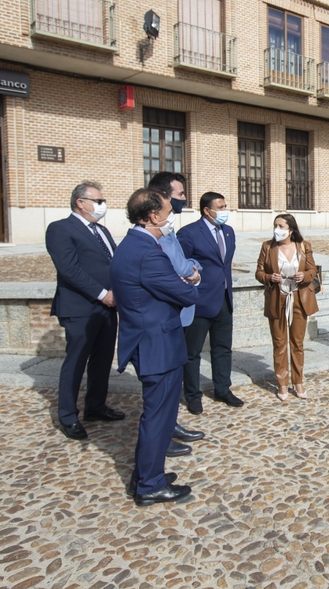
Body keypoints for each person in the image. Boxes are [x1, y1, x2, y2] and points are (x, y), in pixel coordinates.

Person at [112, 188, 199, 506]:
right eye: (167, 211)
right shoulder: (148, 252)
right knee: (158, 417)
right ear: (152, 216)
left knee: (157, 415)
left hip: (147, 339)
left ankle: (146, 474)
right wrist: (190, 282)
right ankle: (150, 484)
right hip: (157, 345)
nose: (171, 216)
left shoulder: (131, 244)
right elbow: (186, 294)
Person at [45, 181, 125, 441]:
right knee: (76, 362)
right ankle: (68, 416)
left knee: (102, 360)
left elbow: (112, 264)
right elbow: (69, 270)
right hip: (81, 308)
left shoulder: (100, 230)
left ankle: (96, 406)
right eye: (98, 201)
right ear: (81, 202)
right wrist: (103, 294)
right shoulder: (60, 229)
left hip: (107, 308)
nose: (103, 206)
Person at [147, 171, 205, 453]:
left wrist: (193, 269)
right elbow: (170, 270)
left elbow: (181, 262)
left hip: (178, 315)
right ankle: (160, 438)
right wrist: (190, 274)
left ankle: (171, 425)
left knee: (173, 379)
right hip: (164, 317)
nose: (184, 200)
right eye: (180, 195)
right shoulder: (152, 236)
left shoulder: (168, 231)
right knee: (163, 382)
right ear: (164, 197)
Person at [177, 192, 240, 411]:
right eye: (220, 207)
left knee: (222, 348)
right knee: (192, 351)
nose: (225, 211)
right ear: (207, 210)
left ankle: (223, 389)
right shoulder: (189, 233)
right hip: (199, 301)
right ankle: (193, 394)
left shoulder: (229, 232)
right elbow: (180, 266)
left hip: (224, 298)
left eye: (225, 206)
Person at [255, 214, 318, 401]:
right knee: (279, 343)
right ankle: (282, 383)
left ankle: (298, 381)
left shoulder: (303, 246)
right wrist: (269, 278)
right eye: (275, 225)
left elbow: (312, 270)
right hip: (277, 299)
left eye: (281, 226)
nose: (277, 229)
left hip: (299, 299)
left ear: (291, 230)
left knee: (297, 343)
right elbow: (258, 272)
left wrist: (304, 276)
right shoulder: (268, 247)